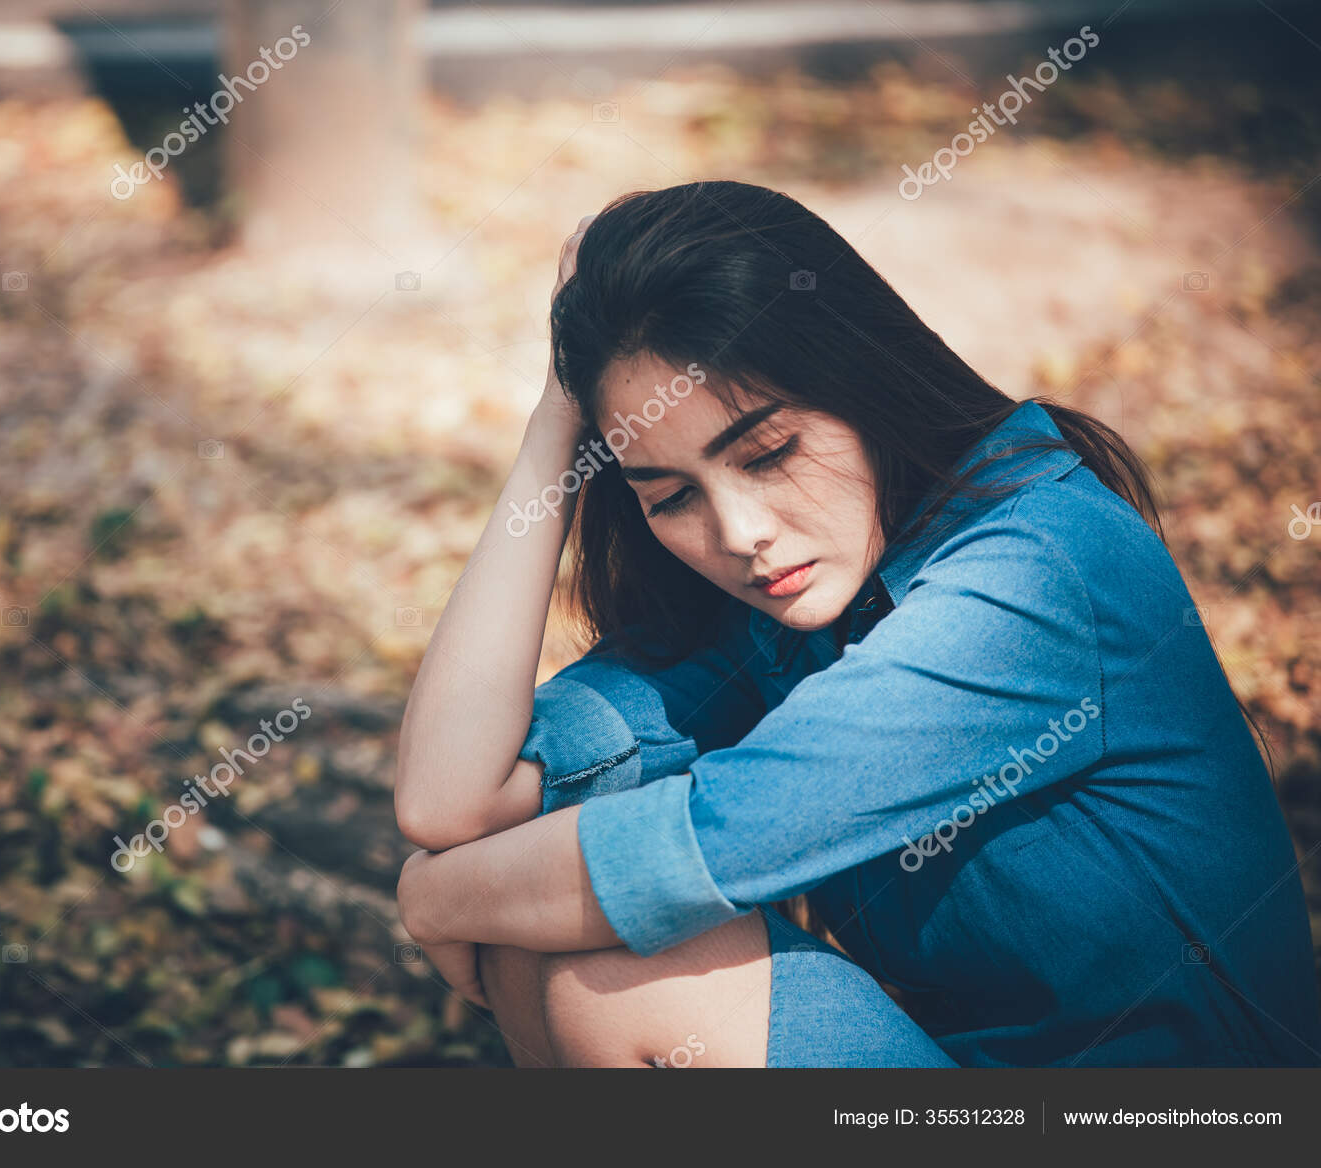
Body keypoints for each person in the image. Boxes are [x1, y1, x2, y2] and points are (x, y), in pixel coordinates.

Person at [392, 180, 1321, 1068]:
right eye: (672, 495)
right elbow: (448, 799)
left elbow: (706, 845)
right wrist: (559, 414)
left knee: (615, 969)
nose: (741, 535)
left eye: (769, 452)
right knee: (546, 941)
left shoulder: (1039, 568)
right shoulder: (779, 601)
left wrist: (433, 899)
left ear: (863, 380)